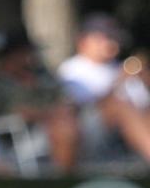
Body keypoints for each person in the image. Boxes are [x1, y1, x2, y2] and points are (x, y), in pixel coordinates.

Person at [0, 27, 80, 173]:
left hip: (57, 124)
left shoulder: (41, 76)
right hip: (14, 135)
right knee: (64, 129)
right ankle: (63, 182)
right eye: (25, 53)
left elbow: (65, 99)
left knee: (70, 124)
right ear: (11, 55)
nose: (31, 57)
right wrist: (52, 113)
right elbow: (19, 112)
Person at [57, 13, 150, 164]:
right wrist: (120, 80)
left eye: (114, 38)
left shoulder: (119, 67)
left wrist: (145, 80)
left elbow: (143, 104)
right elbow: (80, 105)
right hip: (85, 129)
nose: (112, 44)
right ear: (84, 41)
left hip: (127, 130)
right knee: (120, 106)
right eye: (104, 38)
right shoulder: (72, 69)